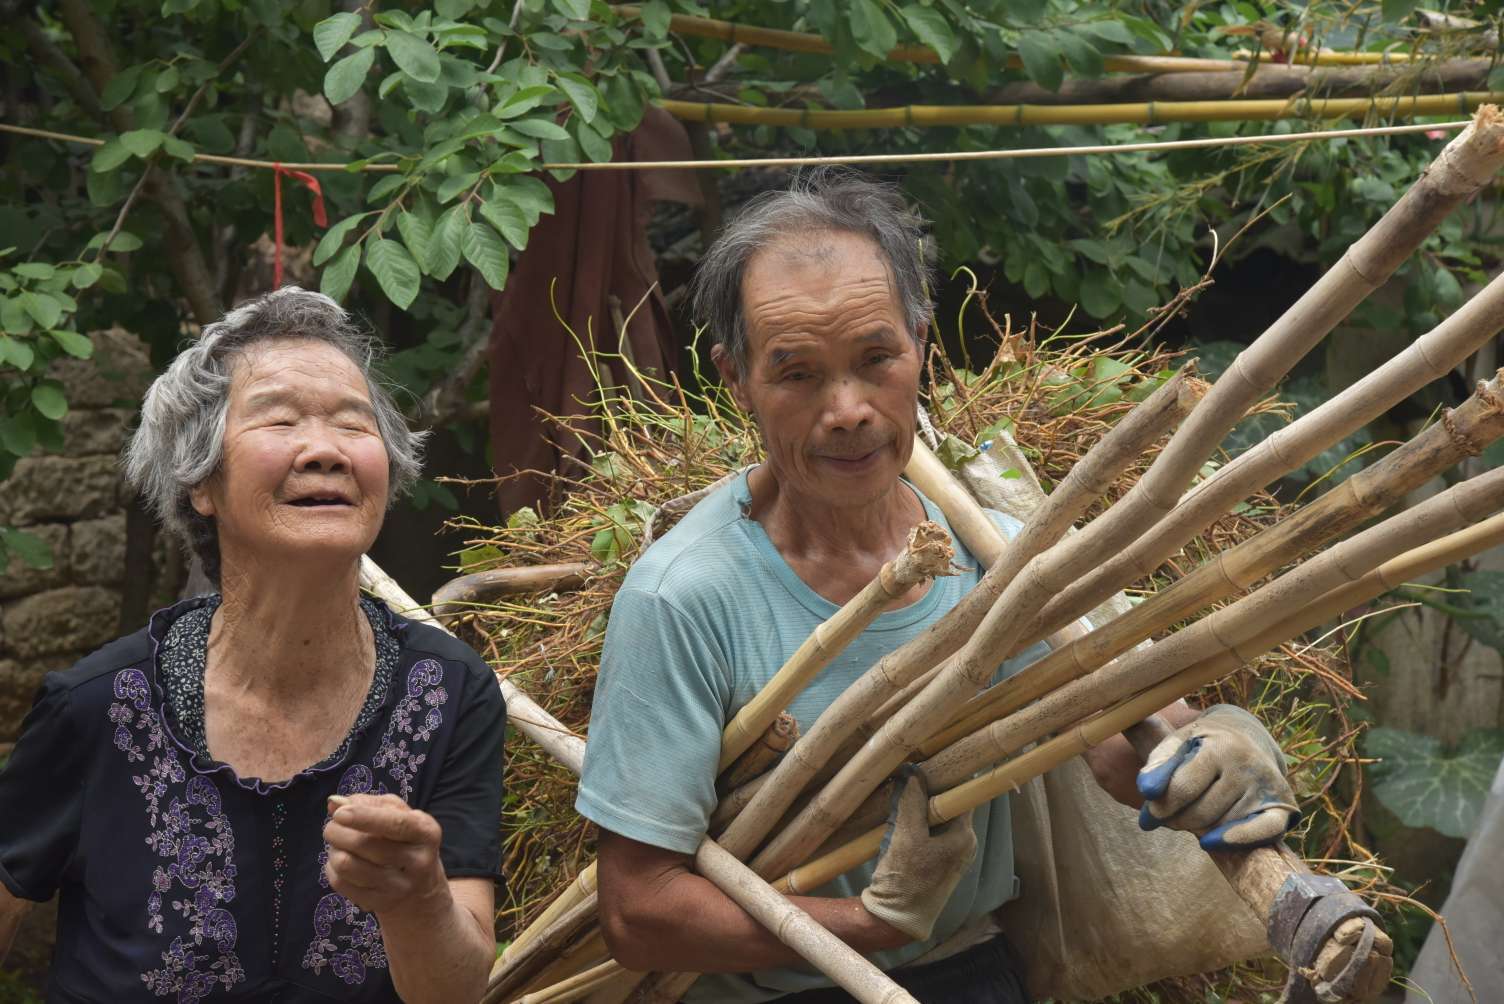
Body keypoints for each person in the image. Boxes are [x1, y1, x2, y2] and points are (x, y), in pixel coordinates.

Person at [575, 171, 1298, 1002]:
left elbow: (1111, 740)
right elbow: (636, 912)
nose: (846, 409)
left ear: (921, 341)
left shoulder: (992, 543)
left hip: (973, 971)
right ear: (736, 379)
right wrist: (875, 923)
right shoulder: (684, 598)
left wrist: (1224, 748)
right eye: (797, 374)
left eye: (875, 358)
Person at [0, 288, 506, 1003]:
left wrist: (417, 899)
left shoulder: (450, 691)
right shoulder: (97, 707)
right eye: (280, 419)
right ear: (202, 480)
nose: (326, 450)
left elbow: (453, 993)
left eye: (353, 425)